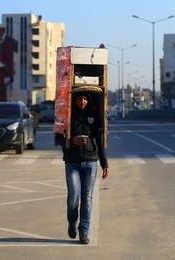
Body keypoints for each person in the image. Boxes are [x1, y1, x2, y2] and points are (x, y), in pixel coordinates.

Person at [55, 92, 109, 245]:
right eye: (79, 98)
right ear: (74, 99)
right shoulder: (67, 115)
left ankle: (84, 232)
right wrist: (72, 140)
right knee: (73, 195)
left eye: (85, 99)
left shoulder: (94, 115)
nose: (82, 101)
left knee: (87, 197)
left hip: (91, 161)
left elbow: (100, 140)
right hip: (72, 161)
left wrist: (104, 163)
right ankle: (72, 221)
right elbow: (58, 137)